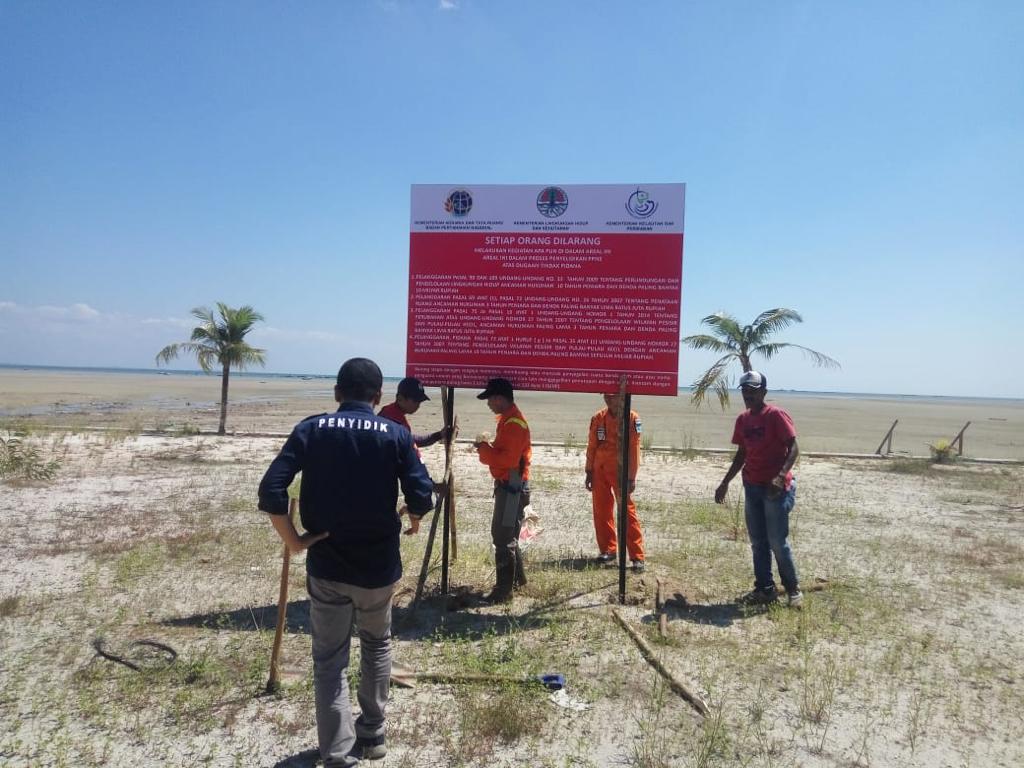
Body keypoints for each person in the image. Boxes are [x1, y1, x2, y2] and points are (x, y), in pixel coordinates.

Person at [258, 358, 436, 766]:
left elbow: (271, 490)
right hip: (377, 567)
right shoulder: (394, 435)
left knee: (329, 659)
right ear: (377, 398)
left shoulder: (310, 429)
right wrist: (412, 518)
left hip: (328, 567)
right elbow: (422, 494)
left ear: (337, 393)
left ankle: (337, 753)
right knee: (376, 644)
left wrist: (295, 541)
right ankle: (372, 733)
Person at [714, 371, 803, 608]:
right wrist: (725, 483)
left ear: (763, 391)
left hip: (775, 489)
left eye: (753, 390)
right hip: (752, 486)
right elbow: (742, 454)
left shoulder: (775, 415)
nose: (748, 395)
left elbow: (794, 448)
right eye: (745, 390)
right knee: (758, 542)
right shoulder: (743, 420)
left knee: (777, 541)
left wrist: (781, 475)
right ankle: (764, 589)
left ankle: (793, 589)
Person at [473, 377, 531, 604]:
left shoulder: (514, 424)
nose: (488, 404)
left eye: (489, 399)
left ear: (498, 399)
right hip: (512, 485)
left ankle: (503, 591)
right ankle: (518, 581)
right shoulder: (509, 421)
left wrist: (484, 449)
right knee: (509, 535)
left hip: (512, 487)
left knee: (502, 536)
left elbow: (507, 459)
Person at [585, 392, 645, 572]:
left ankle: (637, 557)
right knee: (601, 511)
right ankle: (608, 550)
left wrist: (632, 477)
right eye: (606, 396)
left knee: (627, 512)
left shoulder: (632, 418)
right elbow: (592, 445)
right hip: (599, 470)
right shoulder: (598, 417)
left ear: (622, 397)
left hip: (621, 472)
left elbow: (634, 449)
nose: (609, 399)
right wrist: (589, 470)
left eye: (613, 396)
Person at [378, 376, 450, 448]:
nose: (418, 405)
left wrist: (439, 435)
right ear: (400, 399)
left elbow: (411, 440)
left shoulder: (392, 413)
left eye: (420, 401)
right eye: (416, 401)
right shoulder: (392, 419)